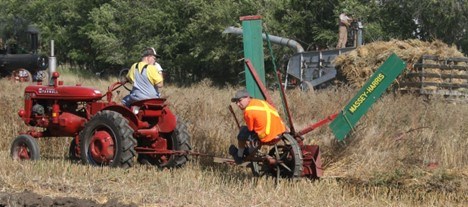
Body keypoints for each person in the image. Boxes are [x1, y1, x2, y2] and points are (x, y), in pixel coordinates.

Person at [229, 89, 287, 164]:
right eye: (236, 102)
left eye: (240, 100)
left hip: (267, 137)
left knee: (243, 131)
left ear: (248, 98)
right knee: (255, 132)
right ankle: (249, 151)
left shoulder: (248, 111)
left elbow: (250, 129)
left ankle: (239, 156)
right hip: (279, 134)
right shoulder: (261, 102)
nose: (238, 104)